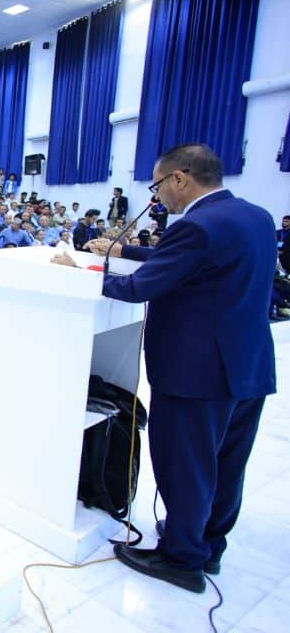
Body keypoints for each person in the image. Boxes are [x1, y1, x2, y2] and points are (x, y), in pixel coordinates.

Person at [52, 143, 276, 594]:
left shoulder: (195, 226)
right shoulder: (256, 217)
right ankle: (208, 547)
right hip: (247, 365)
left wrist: (79, 273)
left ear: (180, 178)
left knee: (187, 464)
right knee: (227, 464)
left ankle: (181, 558)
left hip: (197, 373)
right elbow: (191, 262)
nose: (157, 196)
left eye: (158, 185)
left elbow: (139, 289)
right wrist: (127, 249)